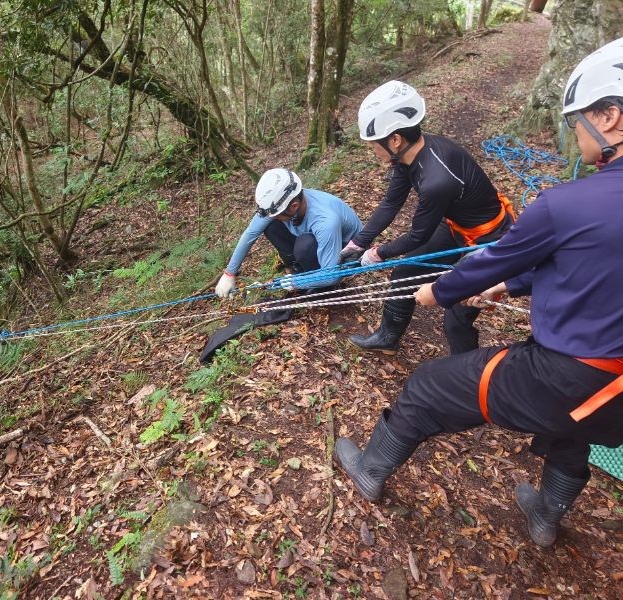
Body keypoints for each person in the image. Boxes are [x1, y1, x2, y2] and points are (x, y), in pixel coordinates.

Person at [334, 38, 623, 548]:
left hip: (567, 371)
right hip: (610, 392)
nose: (573, 135)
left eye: (576, 124)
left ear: (610, 118)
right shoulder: (590, 208)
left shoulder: (565, 205)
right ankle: (547, 516)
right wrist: (511, 287)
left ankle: (372, 468)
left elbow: (494, 255)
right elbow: (588, 265)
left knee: (427, 386)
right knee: (574, 430)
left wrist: (441, 292)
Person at [340, 81, 515, 355]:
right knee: (404, 274)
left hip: (490, 239)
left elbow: (417, 235)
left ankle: (466, 374)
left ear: (394, 139)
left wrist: (378, 253)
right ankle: (388, 337)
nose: (371, 150)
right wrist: (358, 244)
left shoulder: (436, 179)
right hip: (458, 226)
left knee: (457, 317)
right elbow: (391, 202)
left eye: (373, 143)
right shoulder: (407, 157)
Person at [214, 168, 363, 297]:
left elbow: (332, 276)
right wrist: (229, 273)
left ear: (294, 206)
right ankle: (301, 269)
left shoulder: (325, 221)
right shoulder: (282, 203)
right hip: (316, 240)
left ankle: (319, 287)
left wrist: (294, 283)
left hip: (344, 252)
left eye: (276, 215)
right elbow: (251, 233)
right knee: (271, 226)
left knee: (305, 245)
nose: (271, 217)